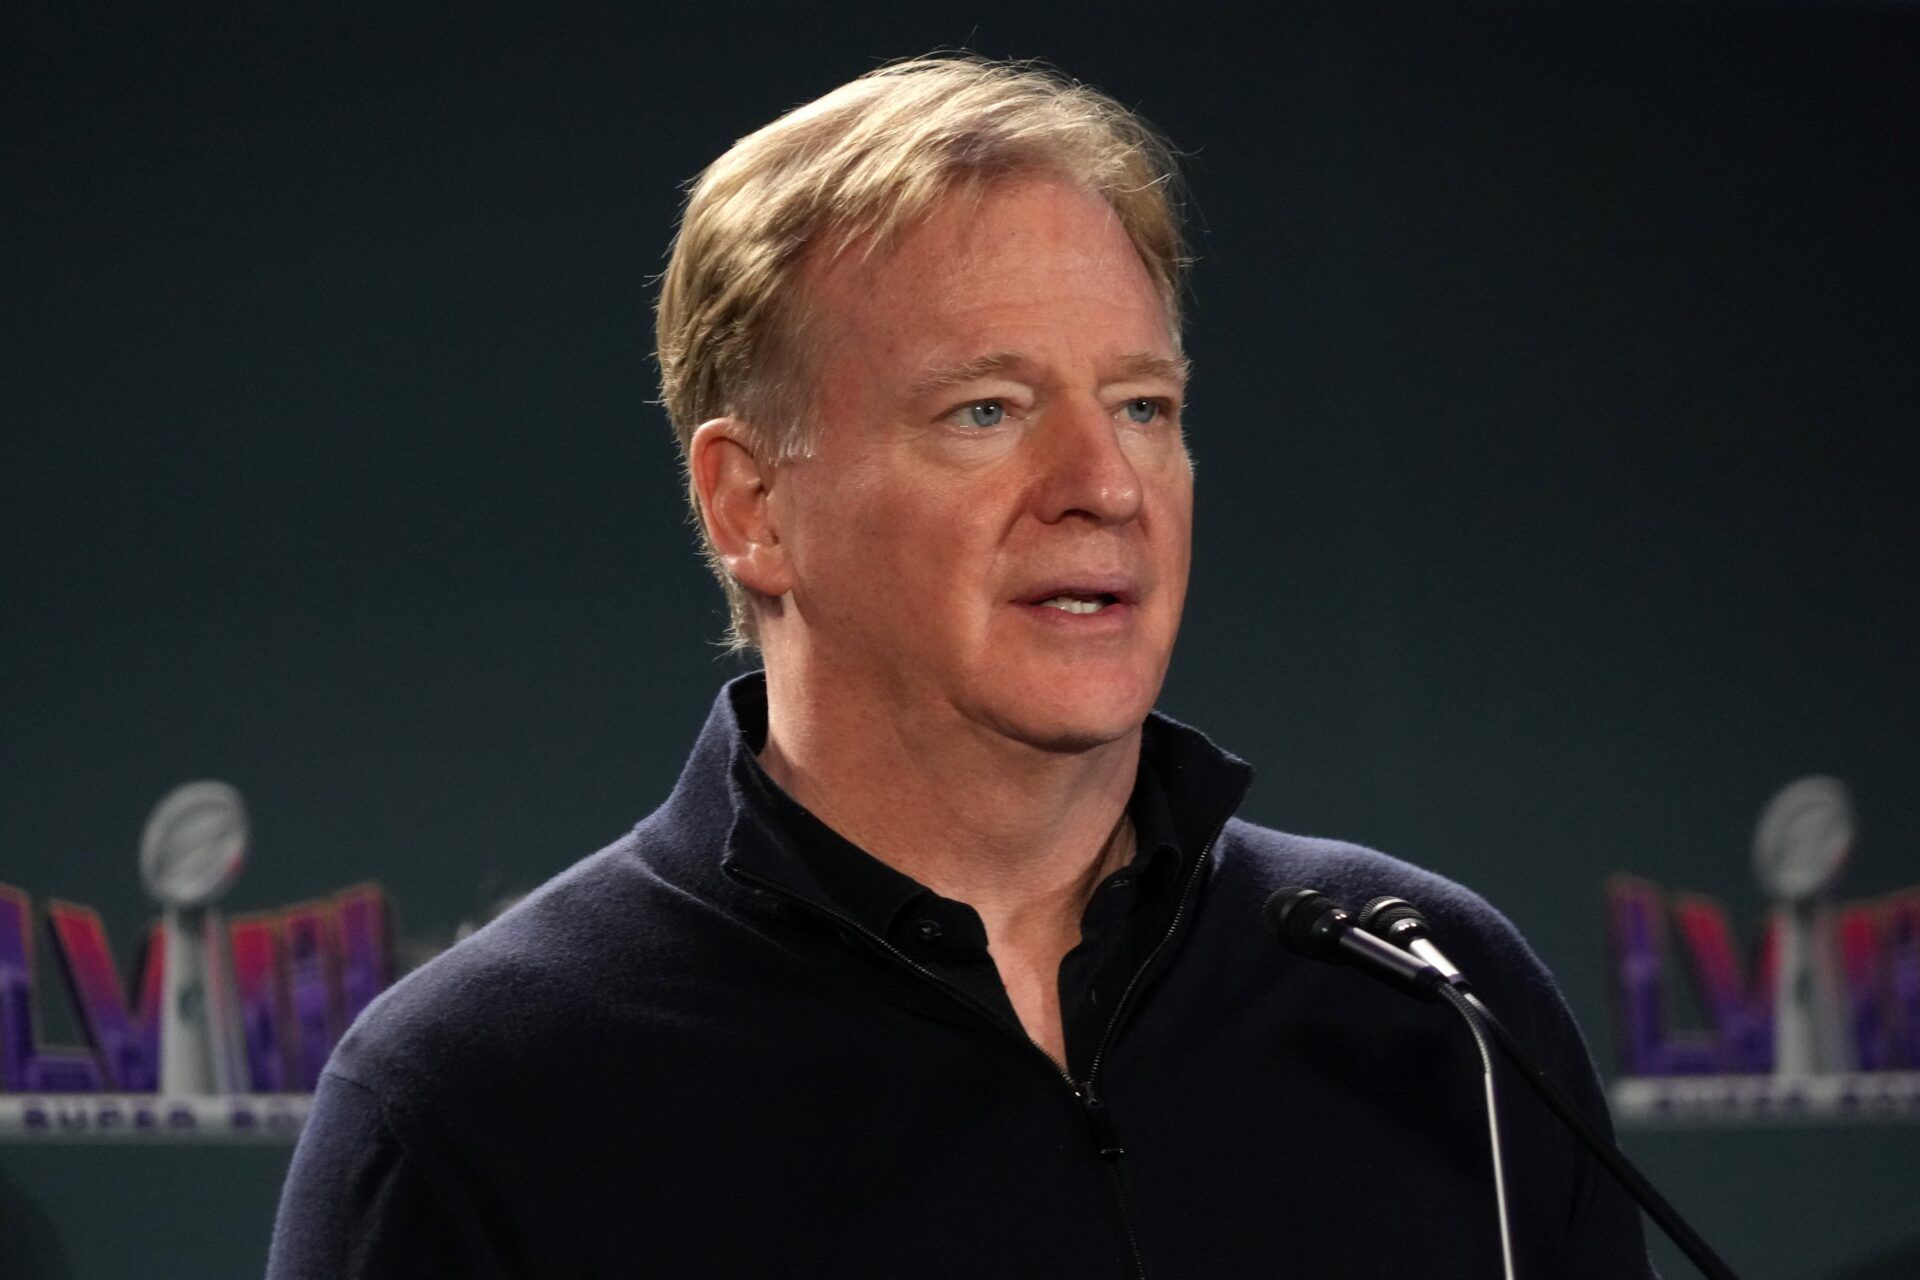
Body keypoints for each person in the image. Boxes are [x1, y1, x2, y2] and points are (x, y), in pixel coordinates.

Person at [268, 57, 1652, 1278]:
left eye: (1142, 406)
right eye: (985, 409)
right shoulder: (483, 1099)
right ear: (749, 505)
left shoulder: (1425, 1005)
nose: (1103, 484)